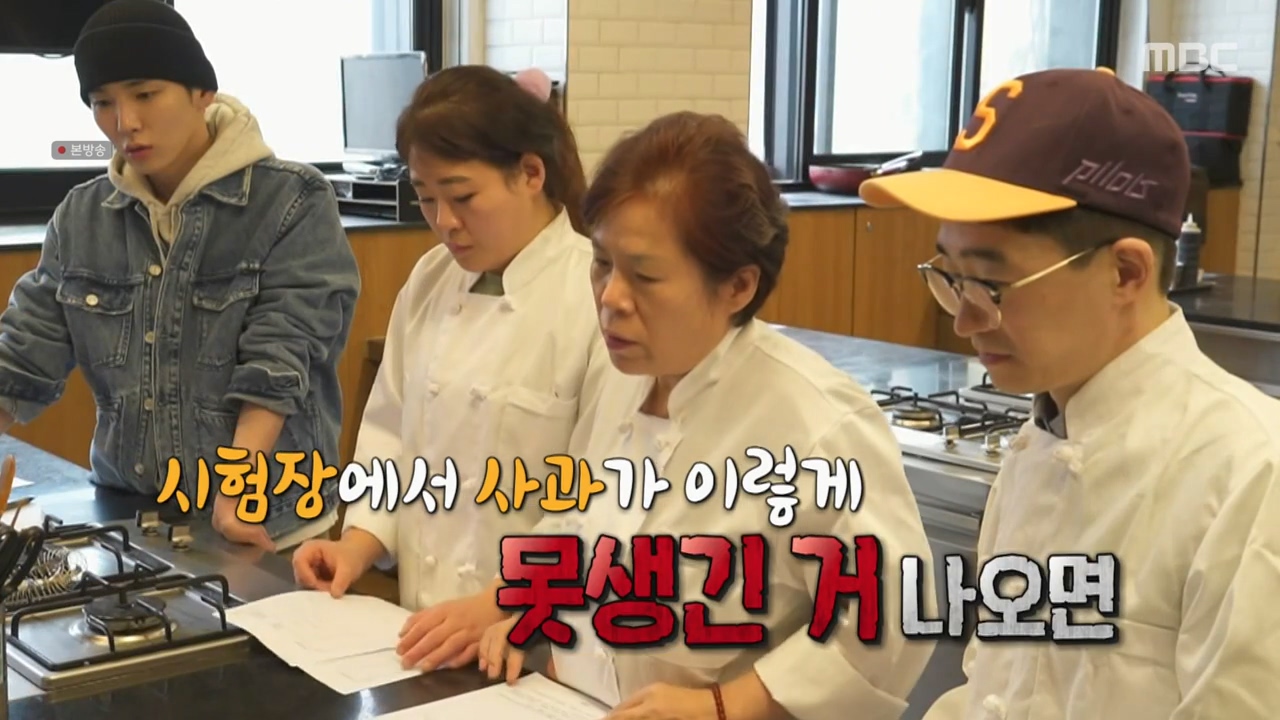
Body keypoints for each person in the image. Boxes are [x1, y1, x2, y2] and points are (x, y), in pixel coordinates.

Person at [476, 111, 937, 720]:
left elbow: (894, 616)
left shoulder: (815, 423)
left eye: (645, 275)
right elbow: (583, 528)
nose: (611, 298)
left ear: (738, 286)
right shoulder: (622, 379)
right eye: (602, 263)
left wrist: (725, 704)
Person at [858, 67, 1280, 718]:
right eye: (951, 277)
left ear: (1126, 272)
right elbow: (994, 687)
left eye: (992, 285)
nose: (964, 320)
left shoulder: (1251, 478)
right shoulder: (1040, 442)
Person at [0, 0, 360, 551]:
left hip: (267, 521)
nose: (125, 122)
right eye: (102, 103)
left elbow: (283, 355)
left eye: (145, 94)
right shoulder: (81, 216)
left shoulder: (292, 200)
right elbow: (24, 352)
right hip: (130, 514)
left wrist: (237, 491)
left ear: (201, 92)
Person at [290, 65, 603, 674]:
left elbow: (601, 494)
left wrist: (500, 601)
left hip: (536, 637)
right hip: (421, 629)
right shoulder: (432, 277)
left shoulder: (593, 292)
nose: (445, 221)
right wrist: (358, 543)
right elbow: (388, 433)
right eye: (426, 197)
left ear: (531, 173)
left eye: (462, 197)